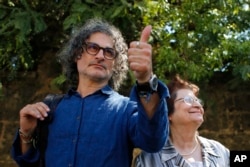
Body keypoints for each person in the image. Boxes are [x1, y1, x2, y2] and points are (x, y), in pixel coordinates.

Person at [11, 18, 170, 167]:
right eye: (93, 48)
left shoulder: (126, 110)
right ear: (76, 55)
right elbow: (28, 162)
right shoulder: (50, 108)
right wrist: (26, 134)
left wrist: (146, 80)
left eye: (109, 52)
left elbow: (153, 141)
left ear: (115, 64)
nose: (100, 56)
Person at [135, 75, 229, 167]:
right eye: (188, 100)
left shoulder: (220, 152)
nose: (198, 105)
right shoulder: (149, 160)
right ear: (168, 113)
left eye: (198, 100)